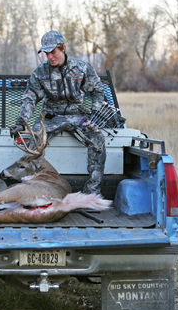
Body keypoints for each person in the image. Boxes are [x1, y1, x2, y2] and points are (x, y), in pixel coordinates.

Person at [10, 30, 106, 195]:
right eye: (46, 53)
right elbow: (30, 98)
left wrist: (95, 115)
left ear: (63, 48)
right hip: (50, 117)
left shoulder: (82, 68)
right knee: (32, 147)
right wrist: (21, 121)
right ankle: (35, 191)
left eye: (53, 52)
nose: (50, 57)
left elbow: (97, 91)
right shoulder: (40, 72)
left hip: (78, 117)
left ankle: (92, 192)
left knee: (98, 141)